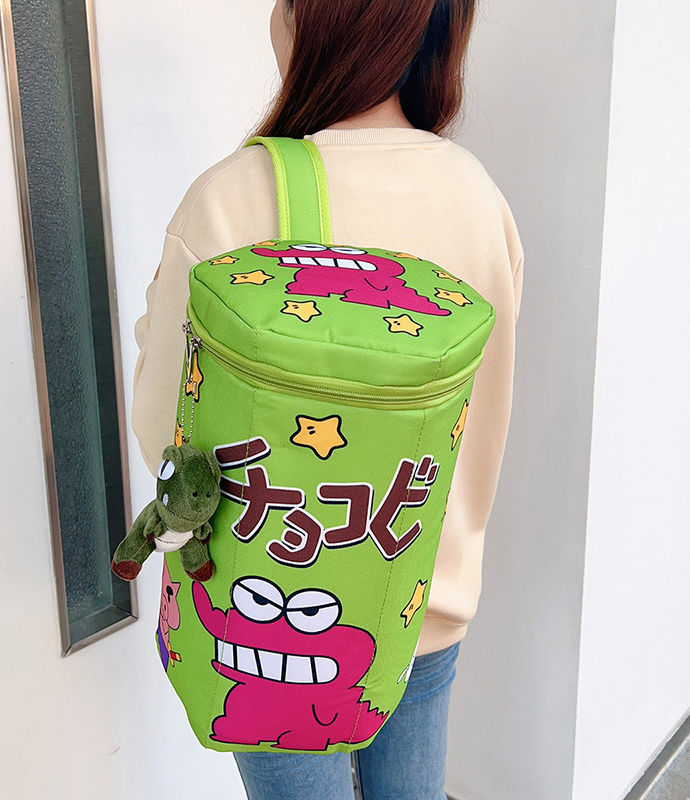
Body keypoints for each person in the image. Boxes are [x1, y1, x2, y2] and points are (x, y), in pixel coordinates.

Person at [130, 0, 524, 798]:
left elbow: (163, 432)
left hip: (267, 625)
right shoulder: (477, 197)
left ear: (318, 19)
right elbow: (483, 419)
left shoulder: (231, 199)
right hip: (423, 596)